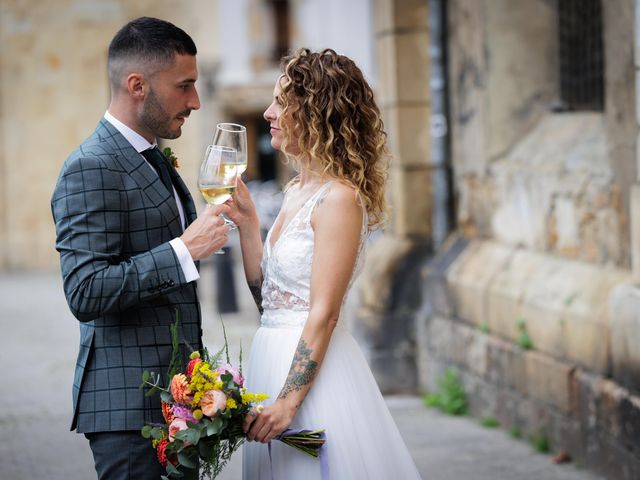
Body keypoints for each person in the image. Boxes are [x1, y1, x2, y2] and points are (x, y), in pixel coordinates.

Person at [227, 48, 421, 479]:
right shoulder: (296, 189)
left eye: (281, 102)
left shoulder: (339, 198)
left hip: (314, 379)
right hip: (272, 358)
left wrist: (288, 402)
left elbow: (324, 311)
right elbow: (270, 301)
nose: (268, 112)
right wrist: (248, 225)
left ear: (314, 111)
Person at [51, 17, 229, 480]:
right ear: (137, 85)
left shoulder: (151, 154)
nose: (195, 101)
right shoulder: (90, 167)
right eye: (184, 86)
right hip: (128, 411)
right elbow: (85, 291)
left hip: (177, 406)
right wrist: (182, 252)